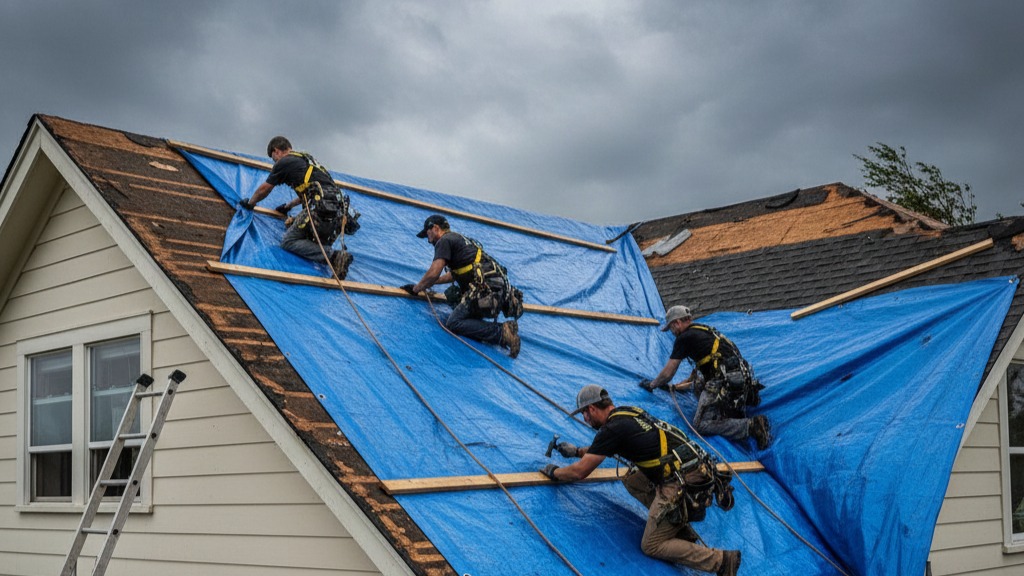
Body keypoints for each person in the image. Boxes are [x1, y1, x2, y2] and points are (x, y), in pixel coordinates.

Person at [540, 385, 741, 576]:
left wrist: (555, 472)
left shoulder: (611, 429)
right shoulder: (627, 413)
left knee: (651, 545)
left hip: (682, 480)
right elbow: (605, 447)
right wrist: (577, 451)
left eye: (584, 413)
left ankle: (721, 561)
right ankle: (677, 528)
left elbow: (580, 472)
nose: (585, 419)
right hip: (694, 466)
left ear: (592, 408)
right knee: (633, 479)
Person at [640, 305, 771, 450]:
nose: (672, 332)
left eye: (671, 327)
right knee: (698, 384)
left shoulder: (684, 338)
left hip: (725, 382)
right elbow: (696, 375)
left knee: (700, 425)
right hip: (740, 378)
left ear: (677, 322)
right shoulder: (702, 330)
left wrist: (652, 385)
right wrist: (675, 387)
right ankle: (728, 411)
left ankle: (751, 426)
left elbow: (668, 373)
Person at [400, 214, 523, 358]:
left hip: (486, 290)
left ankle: (502, 332)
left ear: (435, 228)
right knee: (454, 298)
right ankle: (488, 328)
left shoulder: (444, 241)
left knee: (454, 322)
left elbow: (434, 272)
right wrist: (432, 282)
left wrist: (416, 289)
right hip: (497, 289)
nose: (428, 240)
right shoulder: (459, 240)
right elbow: (454, 275)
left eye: (428, 234)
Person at [240, 136, 359, 279]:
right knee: (299, 230)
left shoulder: (284, 162)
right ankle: (329, 254)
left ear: (276, 151)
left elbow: (265, 189)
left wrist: (250, 203)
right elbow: (311, 191)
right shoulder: (307, 160)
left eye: (274, 159)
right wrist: (288, 206)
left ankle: (335, 257)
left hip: (321, 211)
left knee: (289, 241)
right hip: (337, 213)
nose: (275, 162)